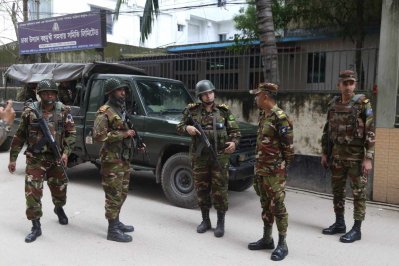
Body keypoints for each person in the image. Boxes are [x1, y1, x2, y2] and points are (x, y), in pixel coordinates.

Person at [8, 79, 76, 243]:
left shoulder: (64, 111)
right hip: (35, 159)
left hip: (56, 157)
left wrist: (66, 153)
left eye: (52, 93)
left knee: (60, 189)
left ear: (56, 94)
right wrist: (13, 159)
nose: (49, 96)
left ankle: (59, 208)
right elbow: (19, 136)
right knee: (32, 193)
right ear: (39, 95)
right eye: (45, 93)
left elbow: (71, 133)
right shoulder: (30, 112)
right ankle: (35, 225)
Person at [176, 80, 241, 238]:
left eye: (210, 92)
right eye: (204, 94)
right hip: (200, 158)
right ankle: (205, 220)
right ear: (200, 96)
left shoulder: (223, 111)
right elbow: (179, 127)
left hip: (220, 156)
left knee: (220, 190)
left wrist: (233, 143)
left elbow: (235, 131)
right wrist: (187, 128)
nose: (208, 95)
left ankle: (220, 222)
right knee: (202, 189)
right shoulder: (192, 111)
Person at [321, 70, 375, 243]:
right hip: (337, 156)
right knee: (337, 191)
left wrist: (369, 158)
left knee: (359, 193)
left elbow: (370, 131)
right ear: (339, 85)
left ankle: (357, 229)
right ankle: (339, 223)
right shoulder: (333, 104)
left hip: (356, 158)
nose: (348, 86)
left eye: (351, 83)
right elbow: (327, 131)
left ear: (355, 85)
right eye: (345, 83)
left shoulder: (362, 104)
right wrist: (324, 153)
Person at [248, 82, 294, 261]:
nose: (255, 98)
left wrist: (281, 170)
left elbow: (288, 148)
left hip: (275, 171)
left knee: (278, 206)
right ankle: (267, 239)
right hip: (261, 168)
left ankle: (283, 244)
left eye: (257, 95)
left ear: (265, 96)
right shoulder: (264, 115)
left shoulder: (280, 117)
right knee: (265, 204)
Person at [93, 78, 140, 243]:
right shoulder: (104, 112)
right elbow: (98, 136)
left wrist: (135, 141)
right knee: (113, 195)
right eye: (120, 90)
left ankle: (117, 221)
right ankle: (112, 230)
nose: (123, 93)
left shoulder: (121, 109)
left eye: (124, 90)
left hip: (123, 158)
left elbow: (126, 130)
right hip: (111, 161)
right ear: (111, 93)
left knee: (122, 193)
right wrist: (123, 135)